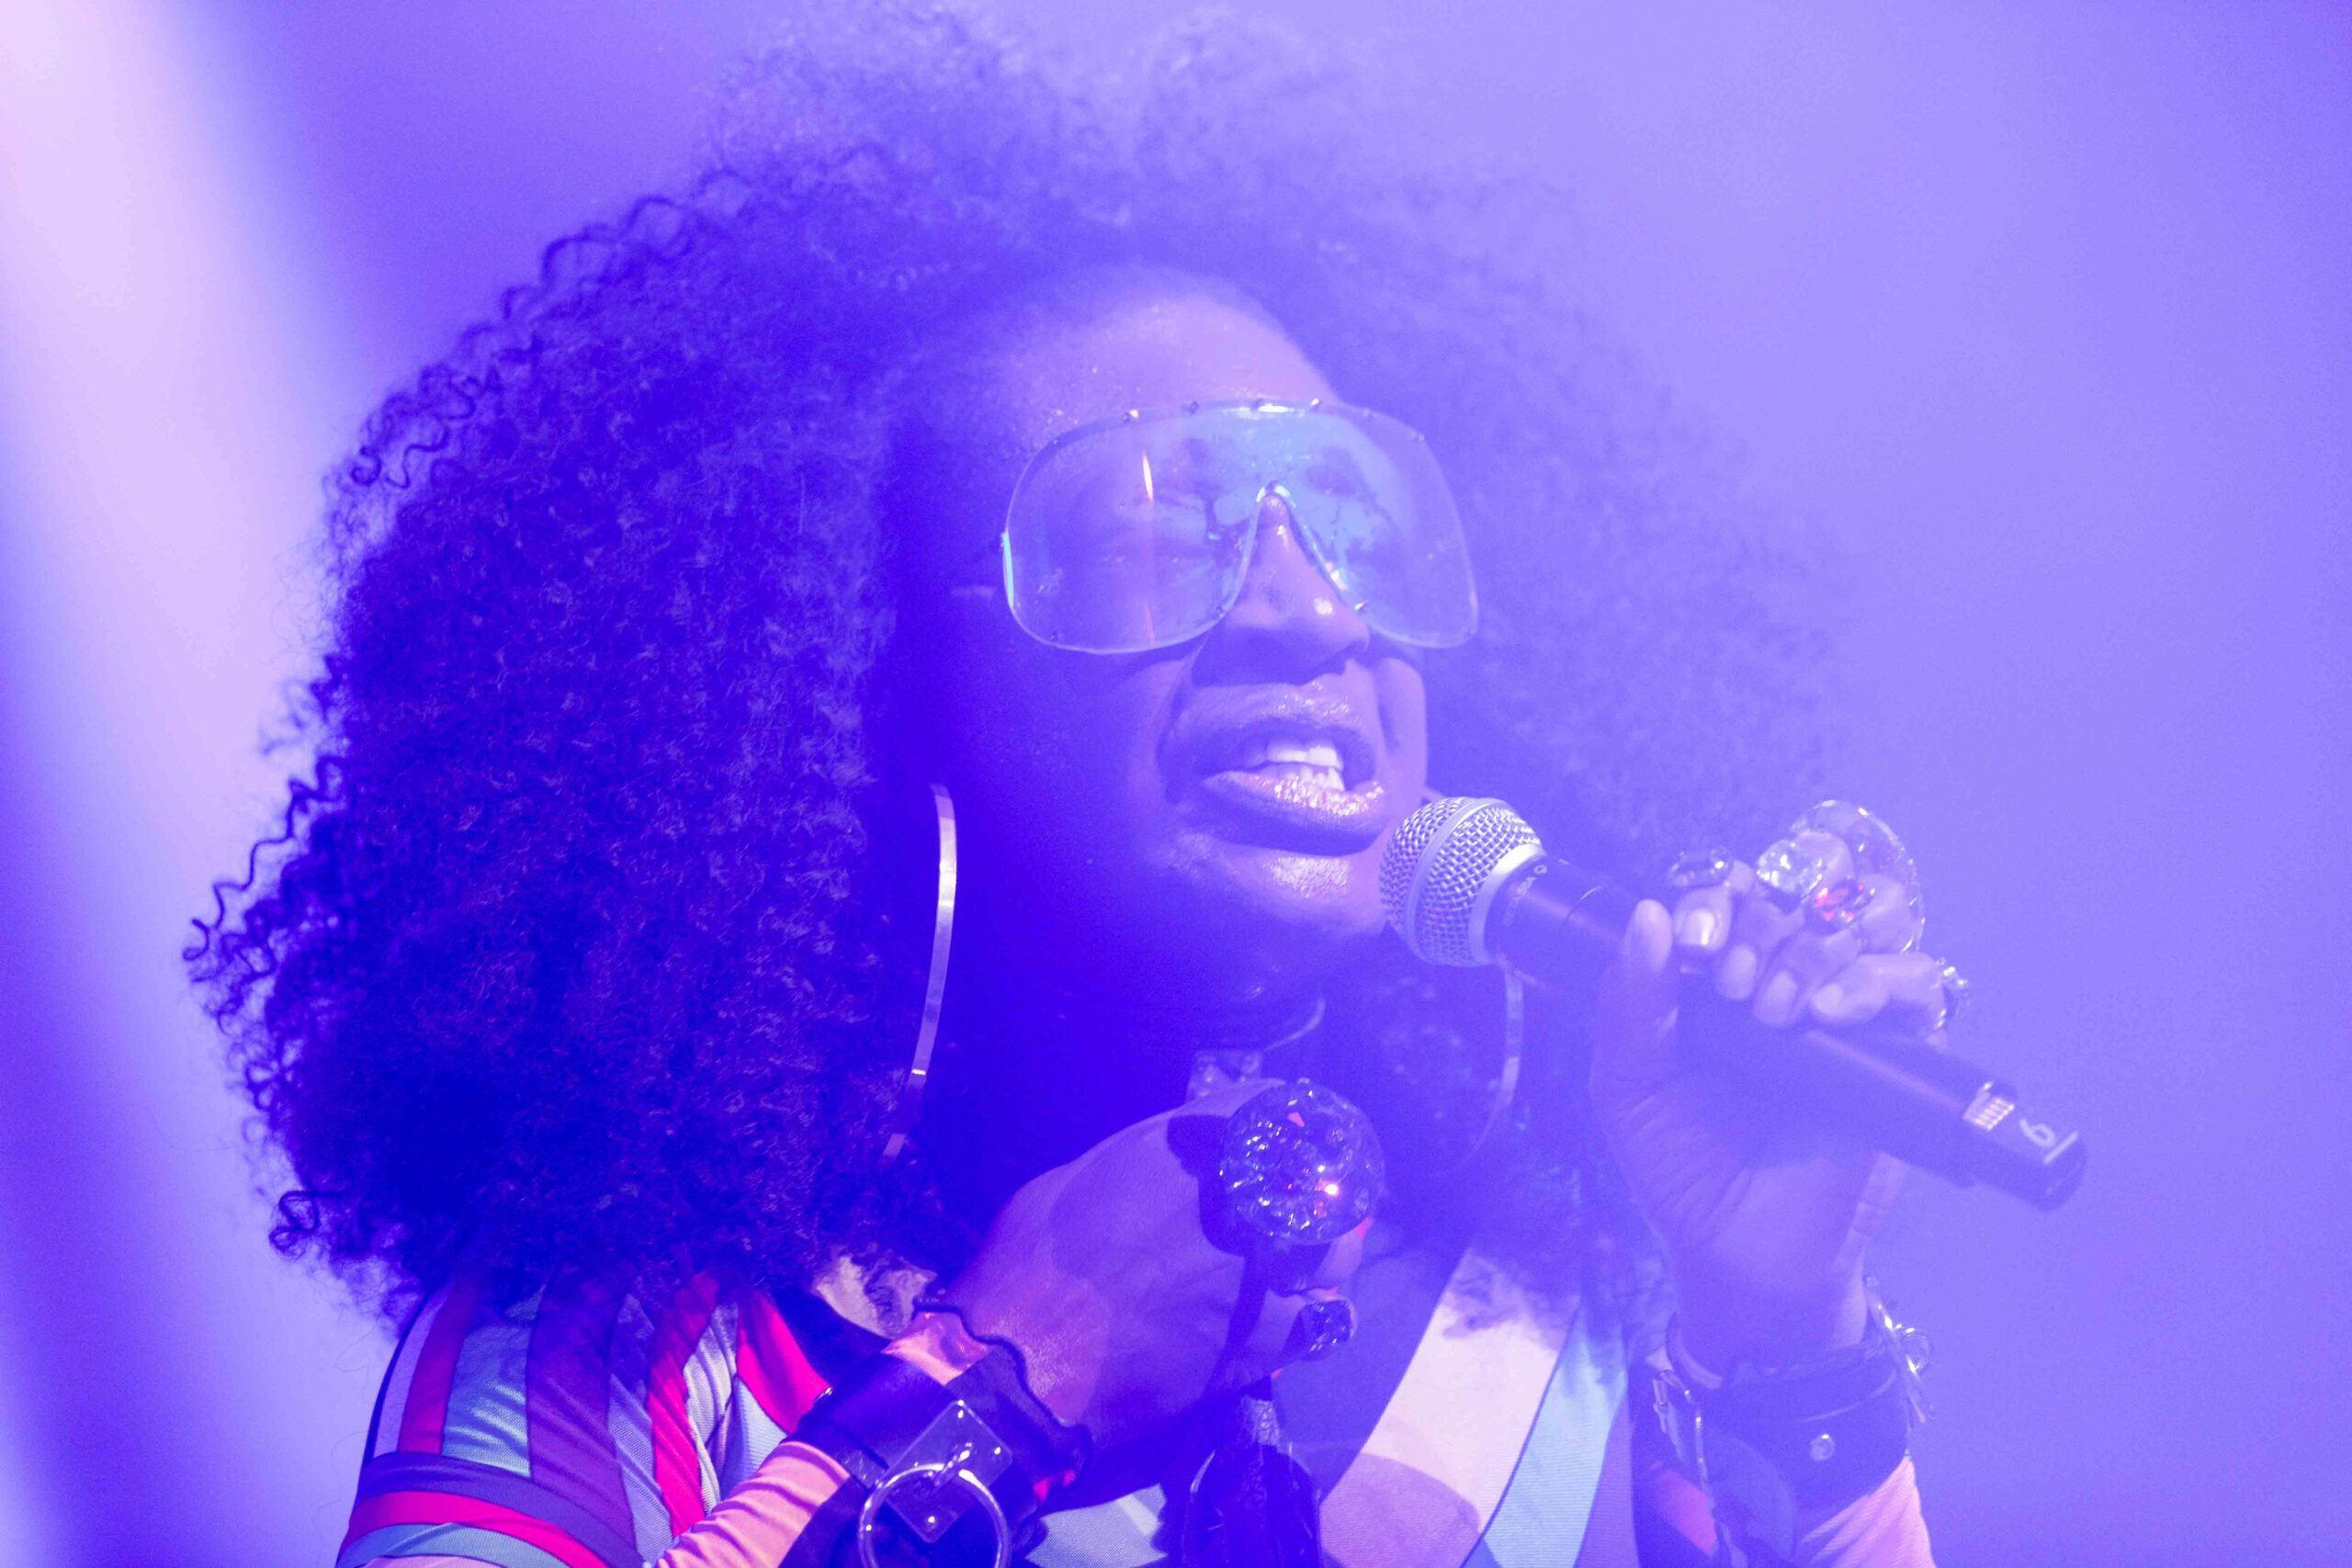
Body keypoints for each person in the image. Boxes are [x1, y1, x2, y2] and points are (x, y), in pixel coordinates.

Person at [194, 8, 1962, 1565]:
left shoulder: (1580, 1304)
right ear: (890, 676)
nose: (1308, 615)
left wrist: (1786, 1330)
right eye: (1162, 536)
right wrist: (989, 1396)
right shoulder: (610, 1354)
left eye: (1354, 529)